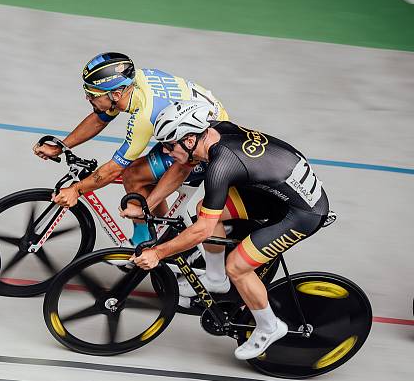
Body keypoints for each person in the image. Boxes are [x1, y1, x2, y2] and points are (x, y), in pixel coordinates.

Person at [131, 101, 330, 360]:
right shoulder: (213, 132)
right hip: (276, 192)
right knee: (206, 207)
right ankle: (215, 279)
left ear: (190, 140)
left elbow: (201, 231)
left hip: (301, 213)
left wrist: (158, 252)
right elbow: (182, 167)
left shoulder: (221, 165)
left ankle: (270, 327)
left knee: (237, 265)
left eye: (170, 145)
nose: (167, 152)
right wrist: (148, 204)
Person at [33, 52, 229, 291]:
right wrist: (62, 146)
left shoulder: (144, 115)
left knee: (134, 174)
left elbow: (115, 167)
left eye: (92, 94)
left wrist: (76, 189)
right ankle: (161, 231)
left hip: (203, 146)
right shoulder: (131, 86)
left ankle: (147, 238)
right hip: (188, 125)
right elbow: (99, 118)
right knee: (141, 174)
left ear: (116, 94)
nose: (87, 98)